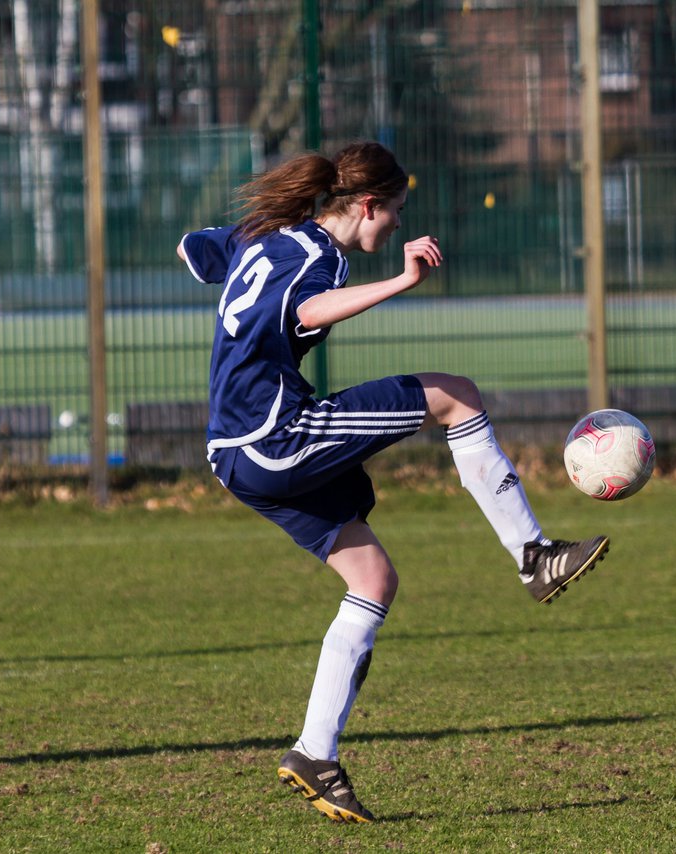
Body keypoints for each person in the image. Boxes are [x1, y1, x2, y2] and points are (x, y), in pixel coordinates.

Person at [177, 141, 609, 824]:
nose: (399, 227)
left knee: (373, 580)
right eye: (397, 212)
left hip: (232, 454)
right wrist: (401, 283)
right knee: (455, 396)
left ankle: (314, 755)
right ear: (368, 205)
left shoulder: (265, 234)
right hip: (274, 437)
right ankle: (535, 557)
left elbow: (192, 250)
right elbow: (308, 312)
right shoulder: (316, 257)